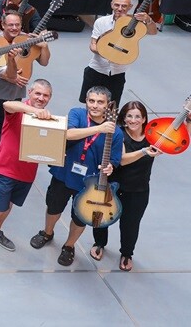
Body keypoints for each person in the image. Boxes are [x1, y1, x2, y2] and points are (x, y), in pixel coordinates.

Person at [29, 85, 123, 267]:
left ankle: (69, 245)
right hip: (64, 174)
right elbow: (69, 134)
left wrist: (110, 167)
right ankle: (47, 233)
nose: (95, 105)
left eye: (100, 102)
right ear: (86, 101)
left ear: (108, 105)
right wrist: (100, 128)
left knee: (80, 217)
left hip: (90, 184)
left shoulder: (116, 132)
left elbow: (115, 159)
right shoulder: (78, 114)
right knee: (53, 207)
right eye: (91, 101)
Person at [0, 78, 53, 268]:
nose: (41, 98)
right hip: (6, 169)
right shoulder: (18, 109)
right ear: (30, 92)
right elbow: (7, 105)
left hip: (27, 173)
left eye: (45, 95)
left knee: (9, 204)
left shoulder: (47, 119)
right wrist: (33, 111)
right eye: (37, 93)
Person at [90, 100, 162, 271]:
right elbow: (122, 159)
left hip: (138, 190)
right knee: (100, 218)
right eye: (129, 116)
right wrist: (144, 151)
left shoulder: (152, 136)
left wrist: (188, 118)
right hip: (113, 186)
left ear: (144, 119)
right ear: (123, 118)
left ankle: (127, 253)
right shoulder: (119, 134)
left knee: (131, 224)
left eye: (137, 116)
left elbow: (177, 137)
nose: (133, 120)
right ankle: (99, 243)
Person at [0, 11, 49, 165]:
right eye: (10, 25)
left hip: (15, 92)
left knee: (5, 123)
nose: (14, 28)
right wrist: (8, 76)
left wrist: (44, 46)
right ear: (3, 25)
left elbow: (44, 62)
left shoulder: (28, 39)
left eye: (17, 25)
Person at [81, 0, 157, 103]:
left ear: (130, 7)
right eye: (117, 5)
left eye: (124, 6)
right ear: (111, 4)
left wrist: (148, 20)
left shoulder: (137, 25)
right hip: (96, 70)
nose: (120, 9)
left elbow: (153, 32)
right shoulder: (101, 22)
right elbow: (93, 45)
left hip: (117, 74)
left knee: (112, 107)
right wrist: (111, 54)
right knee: (90, 105)